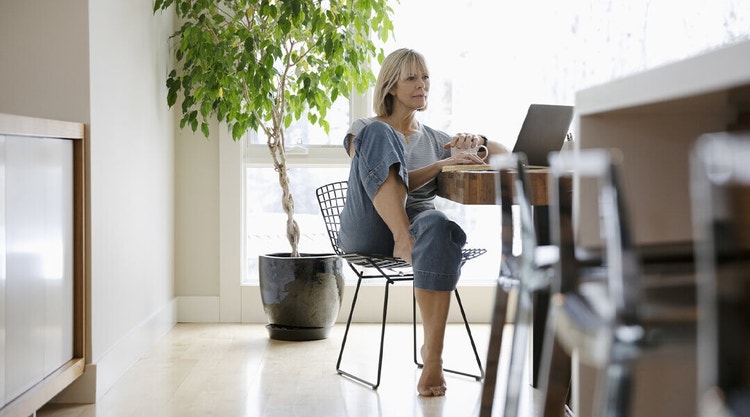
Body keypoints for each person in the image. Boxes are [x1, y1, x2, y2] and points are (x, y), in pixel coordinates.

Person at [338, 48, 509, 396]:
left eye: (426, 77)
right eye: (412, 78)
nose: (422, 85)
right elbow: (374, 177)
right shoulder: (365, 130)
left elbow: (508, 155)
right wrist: (439, 166)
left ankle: (433, 356)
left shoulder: (434, 138)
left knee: (439, 225)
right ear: (390, 86)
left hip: (418, 230)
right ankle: (403, 237)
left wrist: (478, 143)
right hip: (370, 226)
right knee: (384, 135)